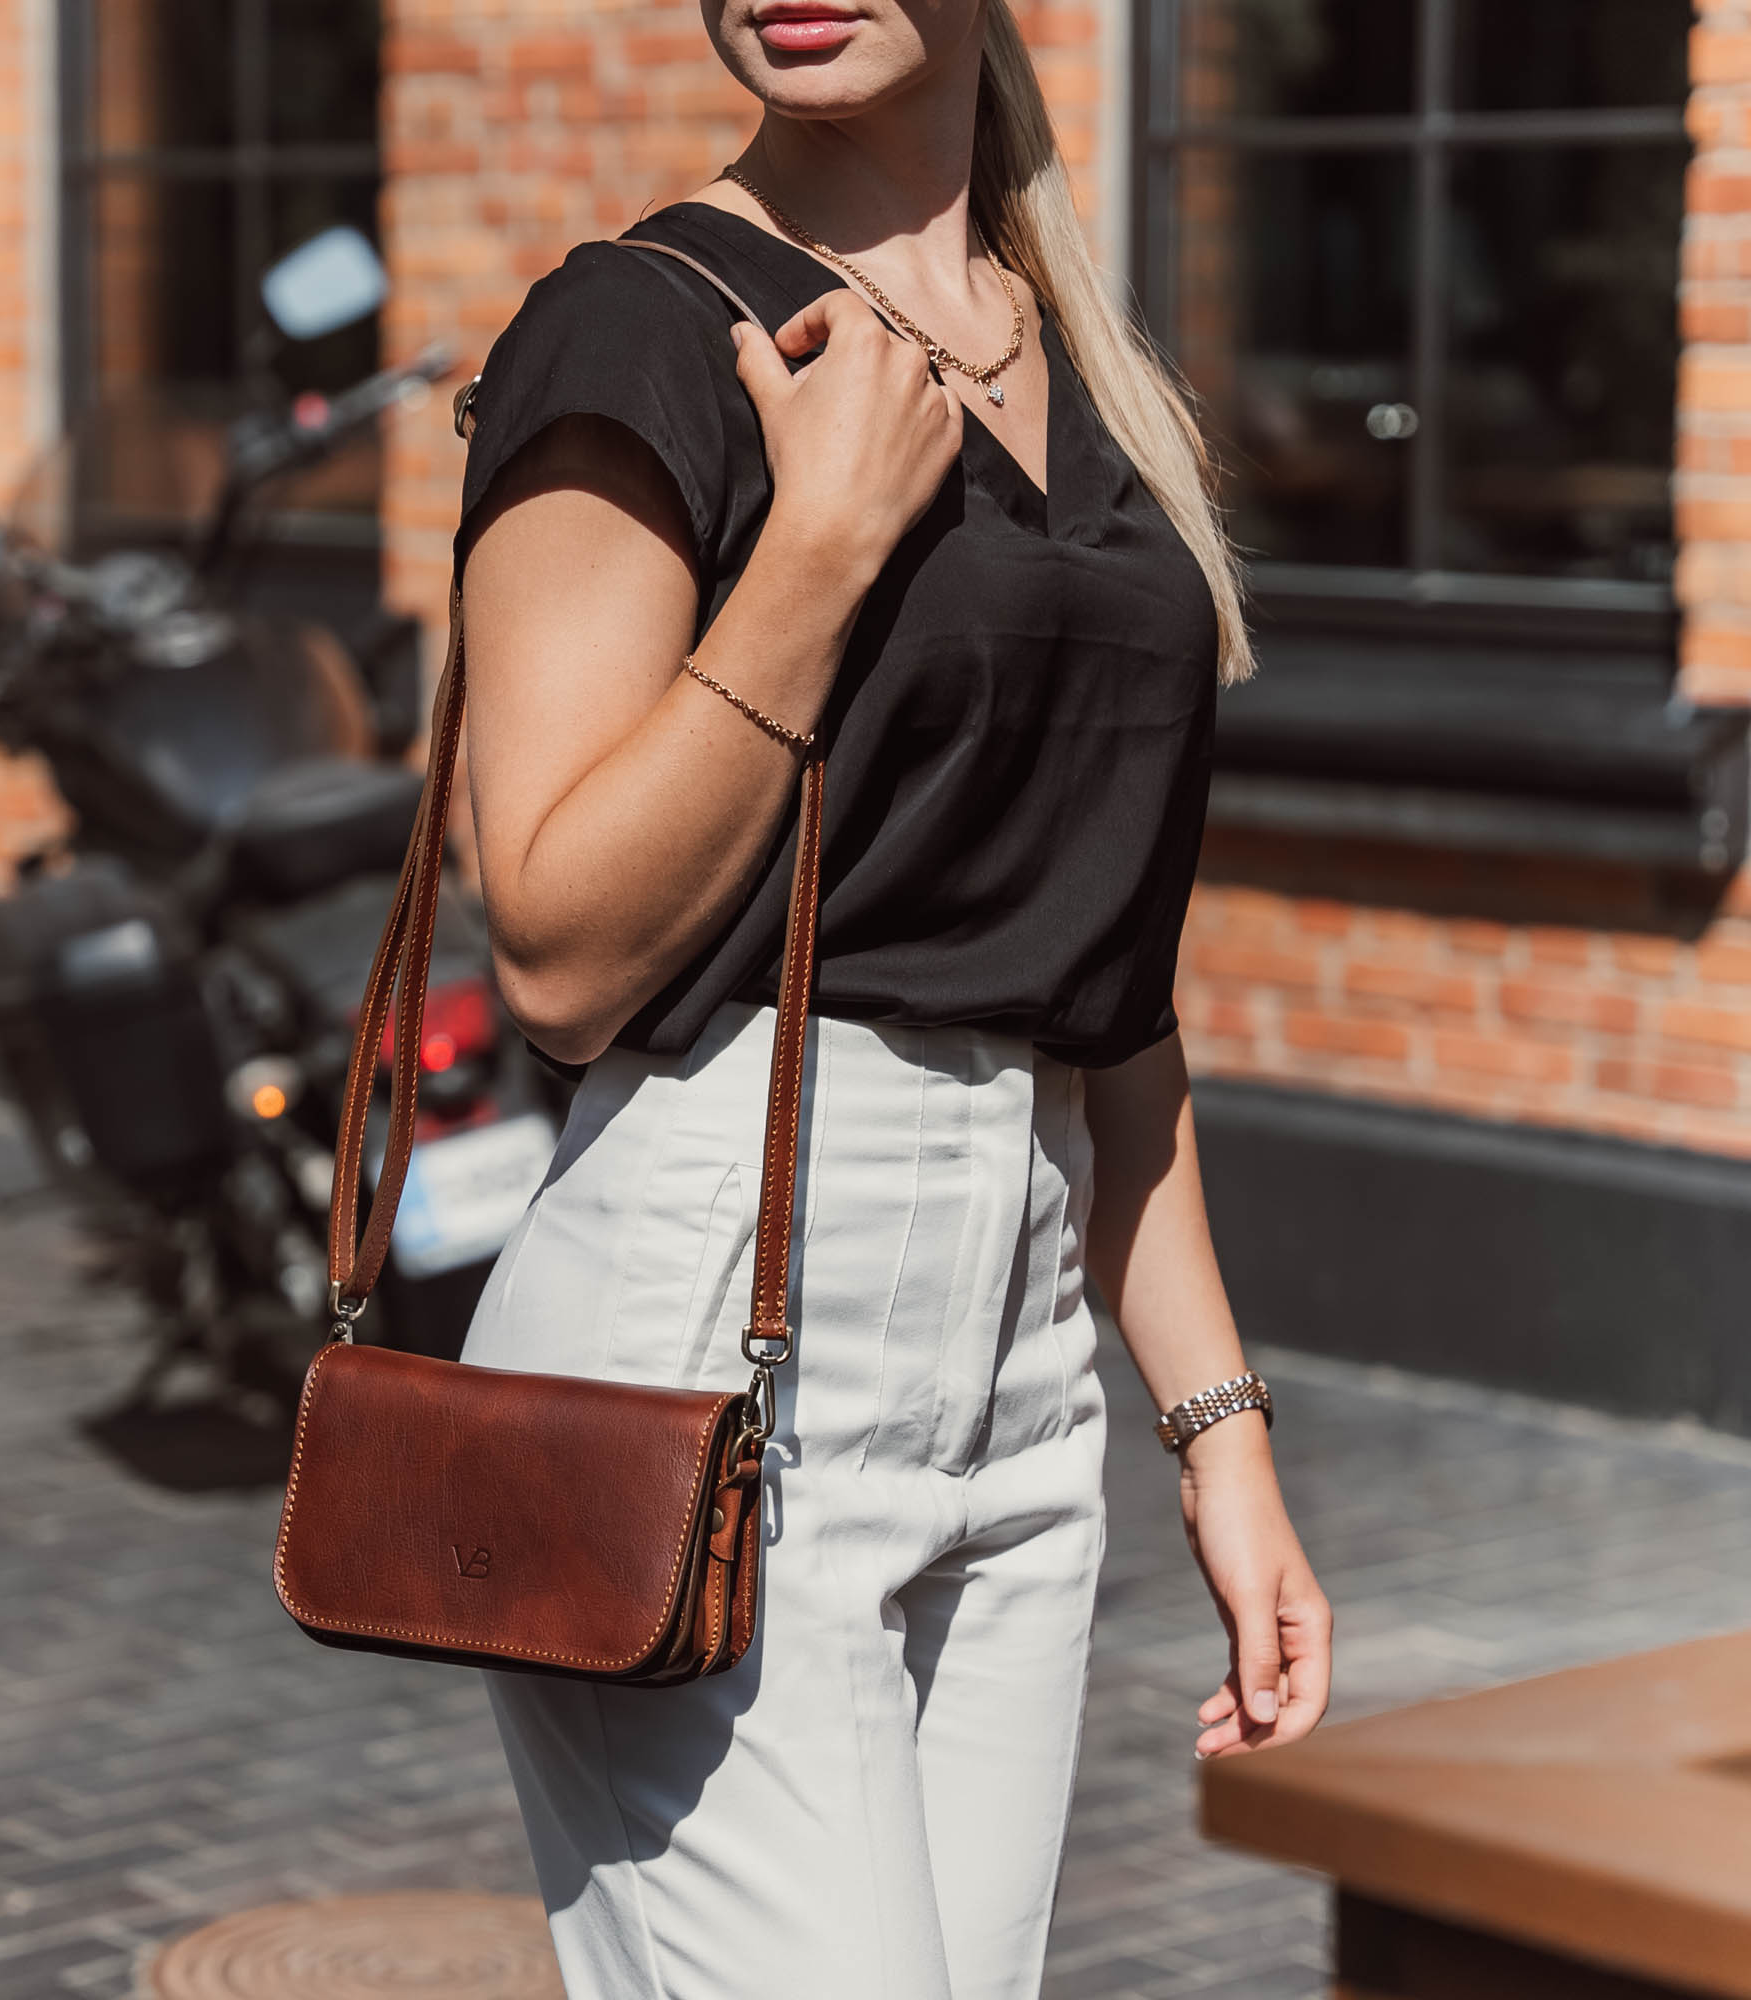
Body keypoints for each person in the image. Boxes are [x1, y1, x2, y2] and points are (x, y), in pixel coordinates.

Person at [450, 2, 1332, 1992]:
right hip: (711, 1314)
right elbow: (562, 954)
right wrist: (822, 543)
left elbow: (1104, 988)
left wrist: (1217, 1432)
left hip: (1022, 1370)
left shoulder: (1081, 376)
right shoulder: (644, 328)